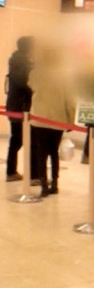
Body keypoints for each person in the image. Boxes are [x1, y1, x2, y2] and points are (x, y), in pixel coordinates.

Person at [29, 45, 75, 197]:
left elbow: (31, 86)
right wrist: (71, 121)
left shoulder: (35, 73)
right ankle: (55, 183)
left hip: (39, 119)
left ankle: (43, 184)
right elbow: (70, 101)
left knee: (41, 152)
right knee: (54, 152)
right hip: (57, 120)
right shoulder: (64, 76)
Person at [5, 36, 34, 182]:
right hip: (21, 107)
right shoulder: (22, 62)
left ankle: (12, 171)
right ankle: (26, 174)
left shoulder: (16, 60)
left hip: (15, 105)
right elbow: (27, 84)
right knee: (20, 140)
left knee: (17, 140)